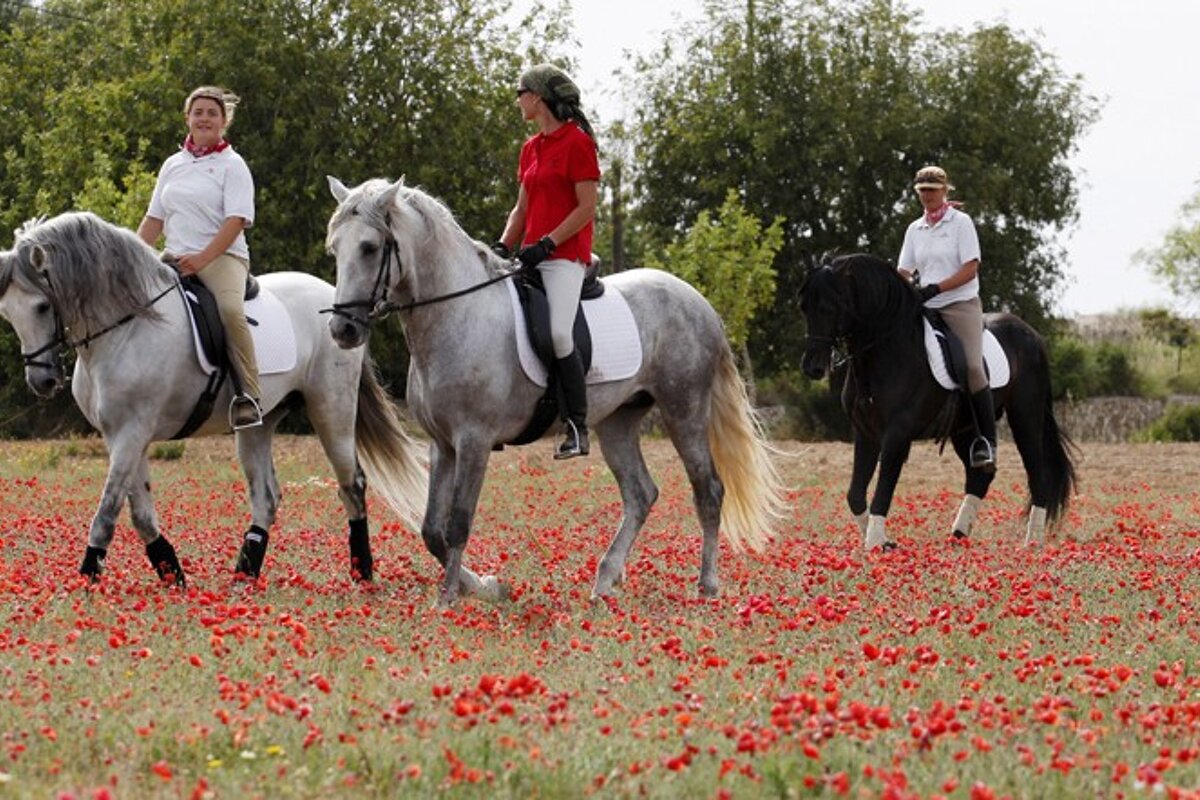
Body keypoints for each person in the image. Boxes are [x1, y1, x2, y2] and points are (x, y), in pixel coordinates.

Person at [137, 85, 262, 429]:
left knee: (230, 311)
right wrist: (132, 256)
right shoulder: (172, 165)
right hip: (174, 258)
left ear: (224, 121)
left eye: (212, 113)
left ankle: (249, 394)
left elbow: (236, 221)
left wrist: (203, 259)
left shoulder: (232, 165)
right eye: (198, 112)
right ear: (187, 118)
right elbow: (154, 220)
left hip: (222, 258)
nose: (204, 118)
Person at [492, 65, 600, 459]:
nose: (517, 100)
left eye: (520, 93)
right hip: (529, 257)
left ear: (537, 98)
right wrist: (503, 246)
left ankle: (576, 426)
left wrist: (549, 241)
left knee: (558, 334)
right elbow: (521, 209)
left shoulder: (577, 143)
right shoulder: (530, 148)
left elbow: (587, 208)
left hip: (564, 259)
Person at [897, 165, 997, 472]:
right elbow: (904, 270)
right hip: (926, 306)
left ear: (944, 191)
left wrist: (936, 288)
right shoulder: (915, 229)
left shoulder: (961, 223)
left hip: (959, 303)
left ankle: (987, 443)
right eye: (922, 191)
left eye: (932, 189)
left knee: (970, 366)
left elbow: (970, 268)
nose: (927, 195)